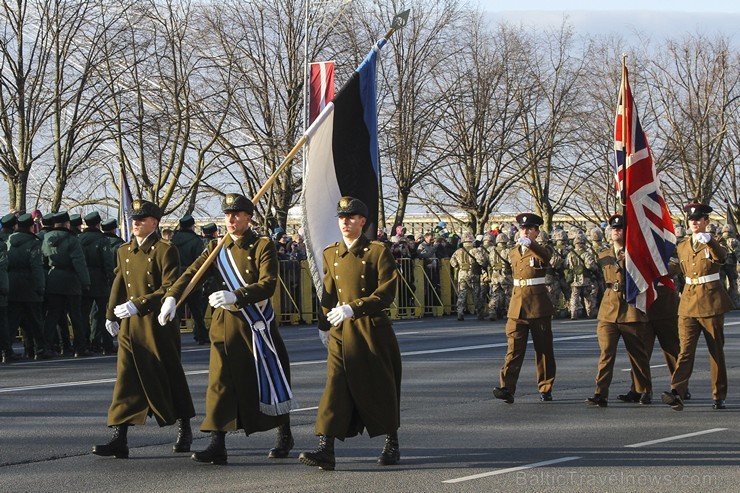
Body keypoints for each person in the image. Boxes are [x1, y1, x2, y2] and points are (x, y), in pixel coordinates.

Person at [160, 193, 296, 465]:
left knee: (266, 379)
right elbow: (192, 275)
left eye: (237, 214)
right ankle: (217, 443)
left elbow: (268, 283)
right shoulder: (216, 247)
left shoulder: (262, 246)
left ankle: (284, 433)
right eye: (227, 215)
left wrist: (237, 295)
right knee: (220, 384)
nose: (231, 220)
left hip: (256, 323)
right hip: (224, 325)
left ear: (249, 217)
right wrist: (173, 297)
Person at [299, 196, 402, 471]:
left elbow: (386, 294)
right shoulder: (331, 253)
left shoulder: (378, 252)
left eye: (351, 217)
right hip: (340, 332)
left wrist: (354, 308)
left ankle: (391, 441)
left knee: (380, 387)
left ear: (362, 222)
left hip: (370, 330)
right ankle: (326, 448)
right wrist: (324, 324)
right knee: (335, 387)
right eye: (342, 218)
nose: (345, 222)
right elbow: (328, 293)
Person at [93, 199, 195, 459]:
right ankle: (120, 437)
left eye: (142, 218)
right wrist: (110, 315)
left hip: (156, 323)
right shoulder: (124, 250)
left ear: (154, 222)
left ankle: (185, 428)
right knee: (126, 379)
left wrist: (139, 305)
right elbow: (120, 282)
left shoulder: (165, 250)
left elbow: (170, 287)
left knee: (168, 374)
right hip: (130, 325)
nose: (135, 223)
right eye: (134, 219)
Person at [662, 203, 734, 411]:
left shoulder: (715, 242)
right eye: (691, 219)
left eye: (698, 219)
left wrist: (710, 241)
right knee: (685, 351)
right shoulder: (683, 245)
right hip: (688, 303)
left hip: (711, 302)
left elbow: (721, 258)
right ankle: (677, 392)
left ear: (706, 222)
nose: (694, 222)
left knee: (715, 351)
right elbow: (675, 269)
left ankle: (718, 394)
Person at [585, 214, 652, 407]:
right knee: (606, 353)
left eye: (620, 228)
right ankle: (600, 394)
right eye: (614, 228)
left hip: (630, 308)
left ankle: (644, 390)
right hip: (609, 309)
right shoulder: (604, 254)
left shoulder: (637, 253)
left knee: (638, 355)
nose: (616, 231)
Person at [493, 213, 556, 403]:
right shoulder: (513, 252)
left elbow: (546, 258)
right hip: (517, 307)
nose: (525, 231)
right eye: (522, 228)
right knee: (513, 350)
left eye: (529, 228)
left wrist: (531, 245)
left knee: (543, 350)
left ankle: (545, 387)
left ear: (537, 232)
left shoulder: (542, 250)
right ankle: (507, 388)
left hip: (538, 306)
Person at [41, 211, 91, 357]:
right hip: (71, 281)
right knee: (76, 316)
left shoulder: (46, 238)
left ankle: (46, 346)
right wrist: (86, 281)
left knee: (52, 315)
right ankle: (79, 348)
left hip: (53, 278)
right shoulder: (72, 239)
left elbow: (43, 260)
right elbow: (79, 262)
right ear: (66, 223)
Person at [6, 214, 49, 360]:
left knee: (12, 321)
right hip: (29, 283)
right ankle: (40, 350)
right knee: (35, 320)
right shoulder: (33, 242)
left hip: (12, 282)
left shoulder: (9, 240)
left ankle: (6, 351)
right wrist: (41, 286)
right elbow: (36, 266)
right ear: (31, 227)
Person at [79, 212, 116, 355]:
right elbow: (108, 263)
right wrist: (111, 279)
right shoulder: (103, 240)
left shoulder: (79, 239)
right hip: (100, 279)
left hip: (84, 279)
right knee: (104, 314)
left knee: (83, 315)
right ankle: (107, 344)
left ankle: (84, 344)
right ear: (98, 224)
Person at [170, 215, 209, 345]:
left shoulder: (172, 240)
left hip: (176, 280)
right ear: (192, 225)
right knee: (197, 311)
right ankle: (201, 335)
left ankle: (172, 336)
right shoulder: (196, 241)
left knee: (177, 311)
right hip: (192, 280)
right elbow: (200, 262)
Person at [449, 232, 485, 321]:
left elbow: (452, 262)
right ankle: (479, 313)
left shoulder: (458, 251)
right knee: (476, 294)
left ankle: (460, 313)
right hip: (473, 273)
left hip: (462, 274)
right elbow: (482, 261)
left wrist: (458, 266)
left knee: (462, 294)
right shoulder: (475, 250)